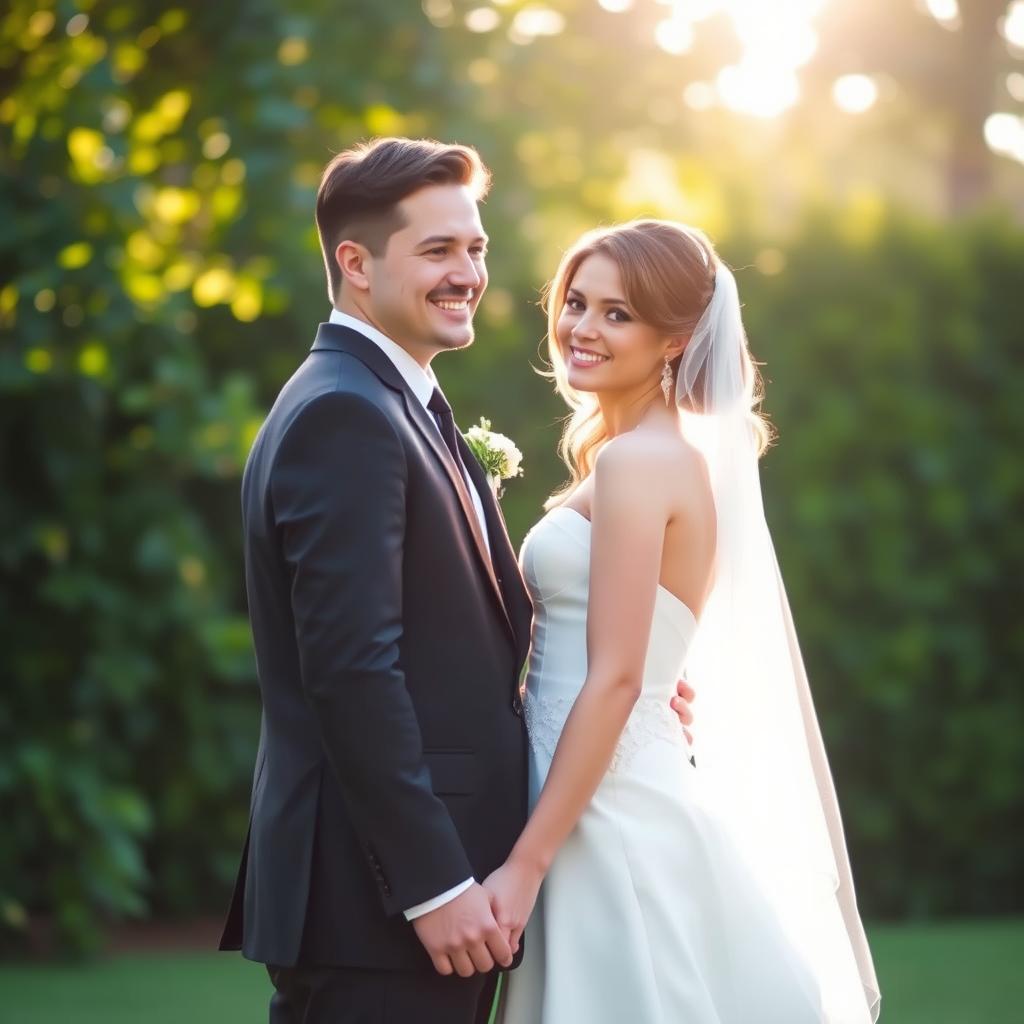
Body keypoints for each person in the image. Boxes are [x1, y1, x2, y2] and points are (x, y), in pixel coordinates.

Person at [217, 138, 695, 1024]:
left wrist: (627, 678)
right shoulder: (344, 415)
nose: (468, 273)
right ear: (355, 265)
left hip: (429, 889)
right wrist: (432, 885)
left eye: (474, 248)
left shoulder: (399, 401)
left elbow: (450, 636)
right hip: (385, 901)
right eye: (438, 251)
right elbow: (352, 672)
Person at [489, 220, 882, 1023]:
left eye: (617, 313)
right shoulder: (636, 453)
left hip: (604, 810)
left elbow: (622, 677)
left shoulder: (641, 462)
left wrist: (526, 864)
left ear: (675, 340)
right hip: (591, 783)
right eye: (576, 302)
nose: (582, 329)